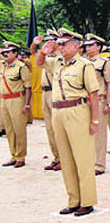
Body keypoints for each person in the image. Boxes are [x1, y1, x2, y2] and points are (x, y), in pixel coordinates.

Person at [37, 28, 100, 216]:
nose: (61, 47)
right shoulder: (57, 63)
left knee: (83, 159)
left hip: (77, 110)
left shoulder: (84, 65)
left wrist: (94, 120)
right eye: (60, 44)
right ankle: (73, 200)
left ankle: (87, 201)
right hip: (58, 112)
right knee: (66, 159)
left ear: (76, 45)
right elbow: (39, 63)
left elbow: (94, 94)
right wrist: (42, 51)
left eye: (64, 44)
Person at [30, 30, 62, 171]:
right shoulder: (46, 56)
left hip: (55, 92)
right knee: (49, 128)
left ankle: (63, 158)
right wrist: (35, 44)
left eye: (52, 40)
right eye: (47, 40)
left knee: (58, 128)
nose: (48, 42)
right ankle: (56, 157)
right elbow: (34, 54)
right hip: (45, 92)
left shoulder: (60, 57)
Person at [84, 33, 110, 175]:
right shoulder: (83, 62)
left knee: (99, 134)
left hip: (99, 100)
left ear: (99, 47)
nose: (88, 48)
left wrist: (109, 103)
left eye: (91, 45)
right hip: (84, 101)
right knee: (85, 133)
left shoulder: (104, 63)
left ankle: (99, 164)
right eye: (87, 45)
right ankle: (88, 162)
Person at [0, 41, 32, 168]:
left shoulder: (21, 67)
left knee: (19, 129)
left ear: (15, 53)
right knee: (9, 129)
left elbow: (28, 87)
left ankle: (21, 156)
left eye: (8, 52)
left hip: (17, 99)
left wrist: (27, 104)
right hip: (4, 100)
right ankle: (13, 154)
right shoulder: (3, 66)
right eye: (4, 52)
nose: (5, 54)